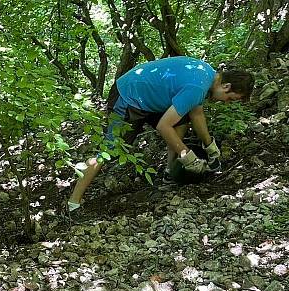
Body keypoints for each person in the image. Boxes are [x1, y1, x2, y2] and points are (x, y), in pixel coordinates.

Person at [67, 56, 255, 211]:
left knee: (182, 122)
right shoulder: (198, 88)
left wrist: (210, 145)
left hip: (150, 98)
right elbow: (164, 126)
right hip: (128, 95)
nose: (227, 102)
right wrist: (188, 156)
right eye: (231, 99)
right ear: (226, 86)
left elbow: (196, 113)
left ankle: (169, 173)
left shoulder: (206, 74)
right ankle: (73, 202)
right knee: (110, 151)